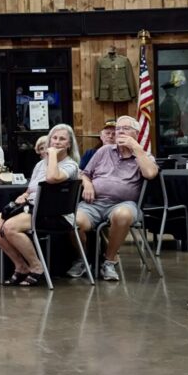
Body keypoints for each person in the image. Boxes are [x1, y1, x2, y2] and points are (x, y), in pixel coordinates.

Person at [67, 115, 158, 281]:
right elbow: (84, 174)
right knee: (73, 220)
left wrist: (136, 149)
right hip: (93, 204)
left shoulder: (144, 156)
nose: (120, 132)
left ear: (136, 134)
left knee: (122, 215)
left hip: (124, 204)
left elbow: (151, 174)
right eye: (118, 129)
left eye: (125, 129)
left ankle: (108, 261)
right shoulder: (104, 151)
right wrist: (87, 184)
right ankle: (85, 259)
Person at [0, 124, 80, 287]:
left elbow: (52, 178)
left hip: (56, 214)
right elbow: (32, 188)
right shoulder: (40, 164)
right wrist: (24, 195)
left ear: (69, 144)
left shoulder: (71, 165)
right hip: (34, 208)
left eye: (62, 139)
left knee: (10, 227)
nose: (57, 142)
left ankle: (37, 267)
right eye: (54, 138)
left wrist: (52, 154)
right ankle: (21, 266)